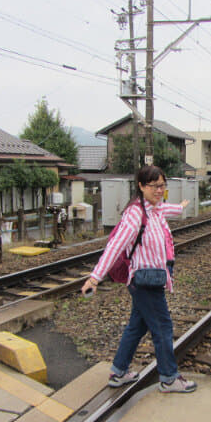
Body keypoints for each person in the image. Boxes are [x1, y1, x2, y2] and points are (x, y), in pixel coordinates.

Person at [81, 165, 197, 393]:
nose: (159, 190)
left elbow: (168, 209)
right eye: (154, 186)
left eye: (162, 185)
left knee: (137, 326)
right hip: (145, 282)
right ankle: (169, 378)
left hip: (152, 278)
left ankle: (119, 372)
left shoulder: (156, 208)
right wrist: (95, 278)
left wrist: (182, 207)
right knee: (163, 327)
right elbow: (114, 247)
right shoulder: (135, 214)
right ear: (141, 186)